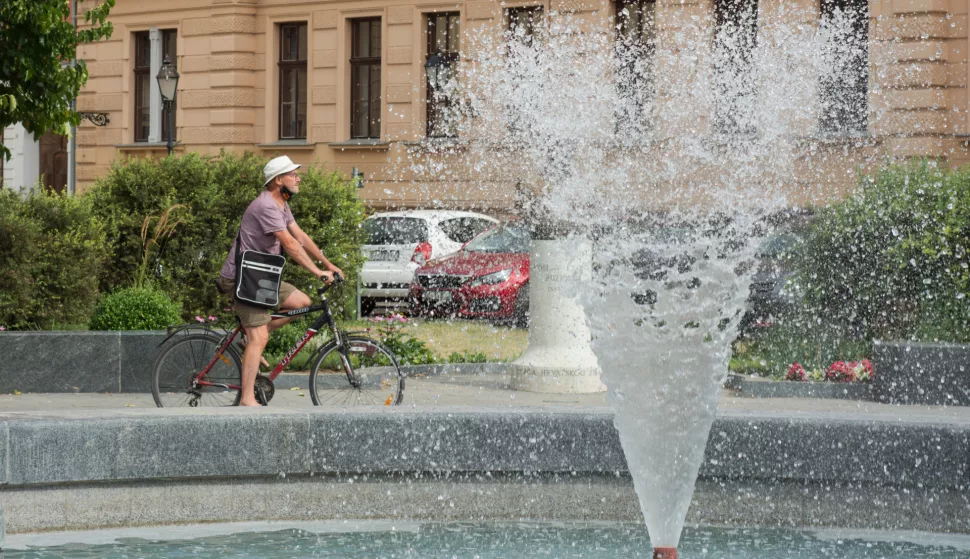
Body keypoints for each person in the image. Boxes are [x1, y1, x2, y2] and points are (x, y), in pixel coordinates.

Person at [218, 155, 343, 407]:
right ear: (278, 180)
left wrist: (328, 264)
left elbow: (301, 237)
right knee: (260, 339)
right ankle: (247, 399)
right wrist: (316, 272)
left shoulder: (281, 205)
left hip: (261, 275)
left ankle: (250, 338)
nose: (298, 178)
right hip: (242, 278)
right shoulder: (266, 206)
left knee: (301, 302)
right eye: (293, 174)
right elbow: (289, 244)